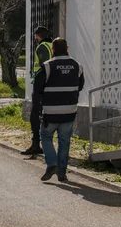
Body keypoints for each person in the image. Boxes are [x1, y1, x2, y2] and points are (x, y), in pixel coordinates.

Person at [33, 37, 84, 182]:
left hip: (51, 112)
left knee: (46, 137)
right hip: (69, 111)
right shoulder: (77, 66)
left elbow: (37, 90)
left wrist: (37, 109)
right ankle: (62, 173)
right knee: (64, 141)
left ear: (52, 50)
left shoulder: (47, 66)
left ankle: (52, 164)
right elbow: (80, 86)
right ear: (67, 49)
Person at [21, 26, 53, 157]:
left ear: (38, 35)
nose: (35, 39)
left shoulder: (42, 47)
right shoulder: (53, 44)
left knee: (35, 114)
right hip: (52, 85)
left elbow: (43, 66)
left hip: (42, 85)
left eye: (35, 37)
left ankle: (36, 144)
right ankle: (44, 143)